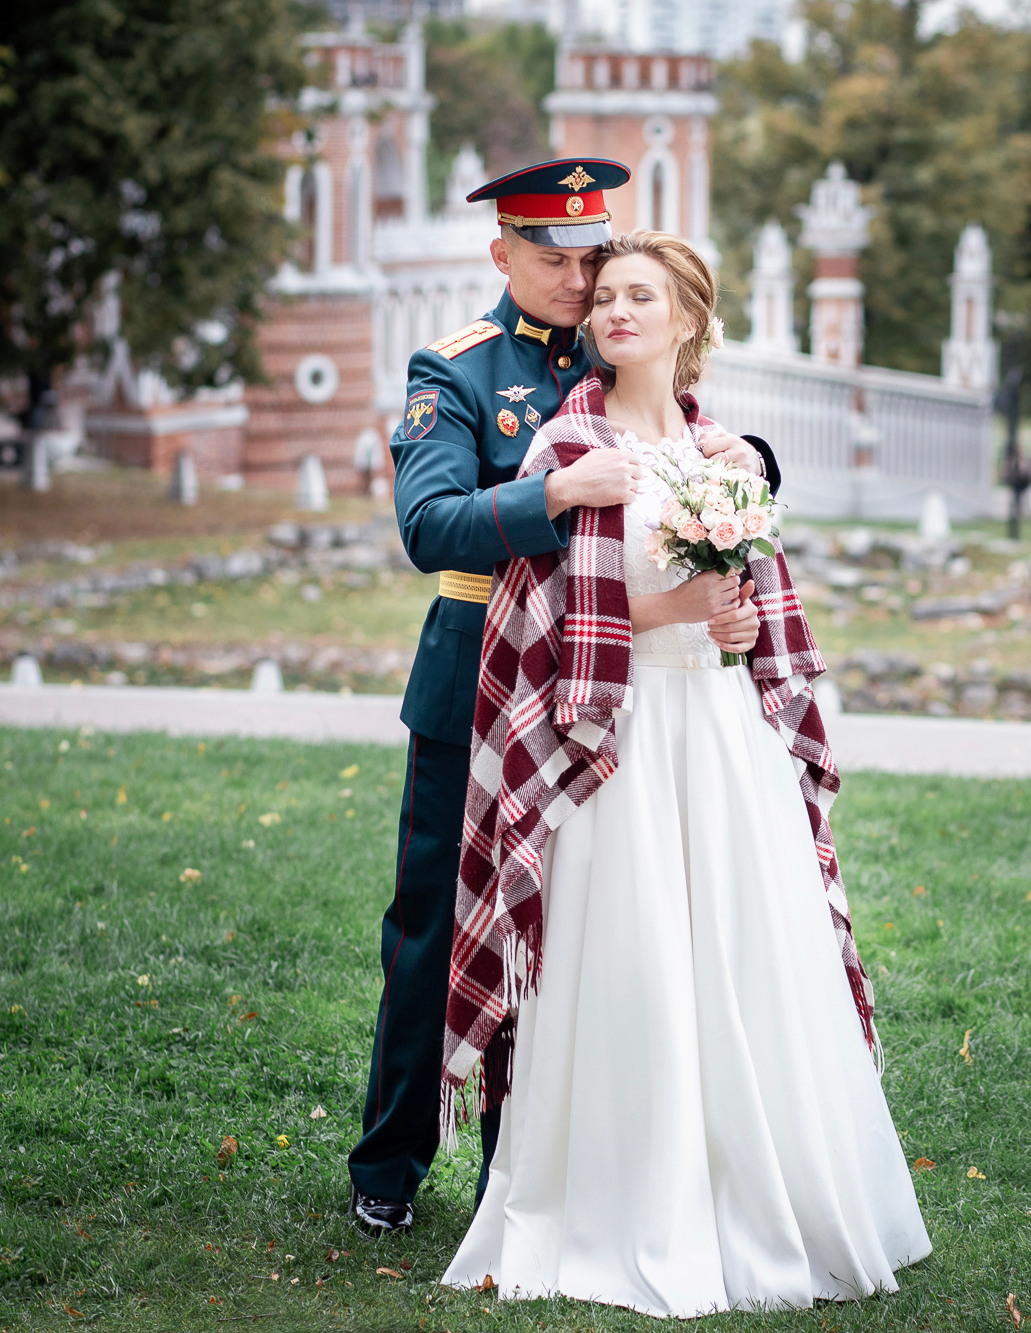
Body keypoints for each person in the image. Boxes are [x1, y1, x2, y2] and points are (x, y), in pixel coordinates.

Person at [437, 231, 930, 1316]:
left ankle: (765, 1190)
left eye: (639, 297)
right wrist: (673, 609)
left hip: (720, 733)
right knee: (636, 960)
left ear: (688, 319)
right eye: (604, 297)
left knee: (748, 957)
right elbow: (545, 611)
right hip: (618, 739)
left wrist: (737, 623)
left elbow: (749, 601)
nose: (614, 312)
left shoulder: (725, 453)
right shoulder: (568, 443)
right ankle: (625, 1202)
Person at [347, 160, 778, 1236]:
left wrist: (756, 458)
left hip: (608, 688)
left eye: (594, 259)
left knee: (571, 929)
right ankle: (391, 1163)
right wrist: (551, 492)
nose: (584, 283)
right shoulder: (456, 369)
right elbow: (427, 526)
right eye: (555, 261)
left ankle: (525, 1172)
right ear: (502, 254)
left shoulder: (615, 339)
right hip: (480, 678)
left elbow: (688, 437)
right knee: (439, 922)